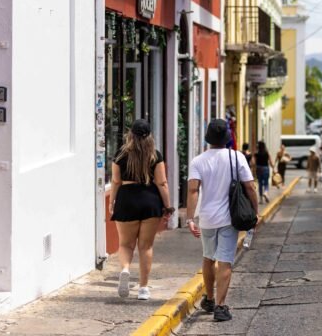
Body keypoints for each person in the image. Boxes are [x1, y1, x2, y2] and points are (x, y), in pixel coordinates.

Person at [186, 119, 260, 322]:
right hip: (229, 218)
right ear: (227, 138)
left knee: (208, 258)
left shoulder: (198, 161)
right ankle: (220, 307)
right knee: (225, 261)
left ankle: (209, 299)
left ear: (208, 138)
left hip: (207, 218)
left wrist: (190, 219)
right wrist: (255, 212)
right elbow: (250, 187)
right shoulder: (237, 157)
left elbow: (193, 190)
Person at [110, 119, 174, 300]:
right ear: (149, 136)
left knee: (125, 244)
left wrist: (112, 201)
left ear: (131, 135)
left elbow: (116, 181)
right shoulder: (155, 155)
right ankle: (143, 288)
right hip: (149, 201)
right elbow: (162, 182)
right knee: (146, 246)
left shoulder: (120, 154)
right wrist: (168, 206)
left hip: (126, 200)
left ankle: (125, 269)